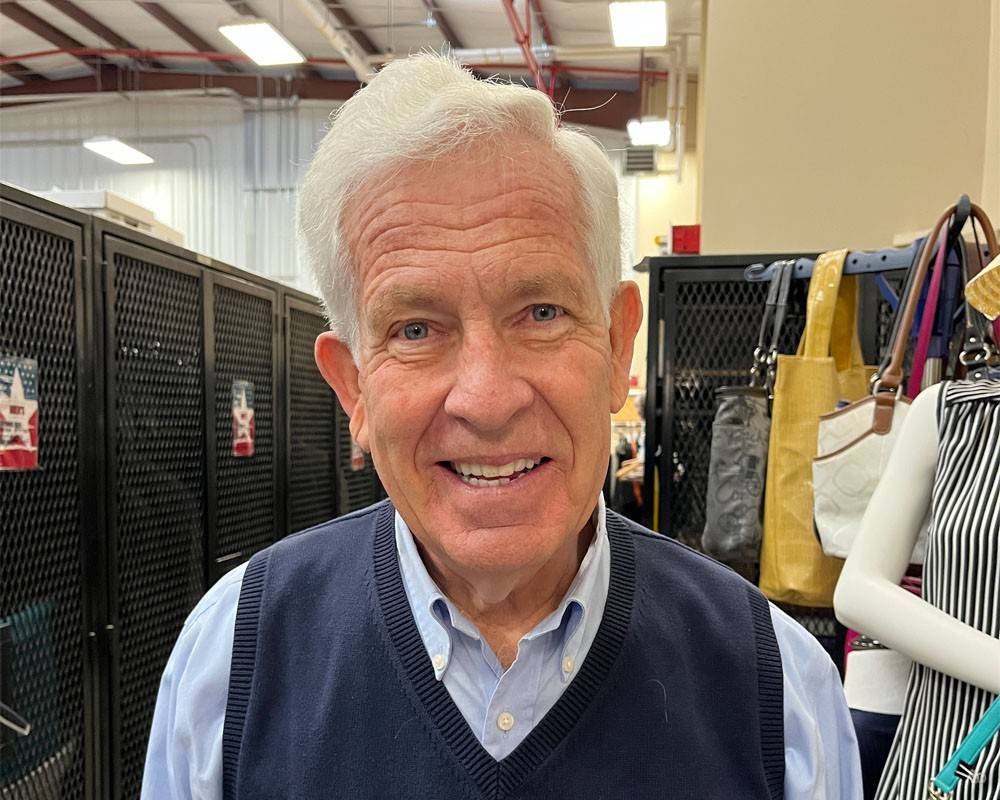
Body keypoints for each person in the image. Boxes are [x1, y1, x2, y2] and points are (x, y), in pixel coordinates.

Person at [141, 53, 862, 799]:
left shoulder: (777, 690)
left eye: (542, 313)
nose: (486, 399)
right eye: (416, 329)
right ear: (352, 386)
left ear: (618, 347)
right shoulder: (234, 664)